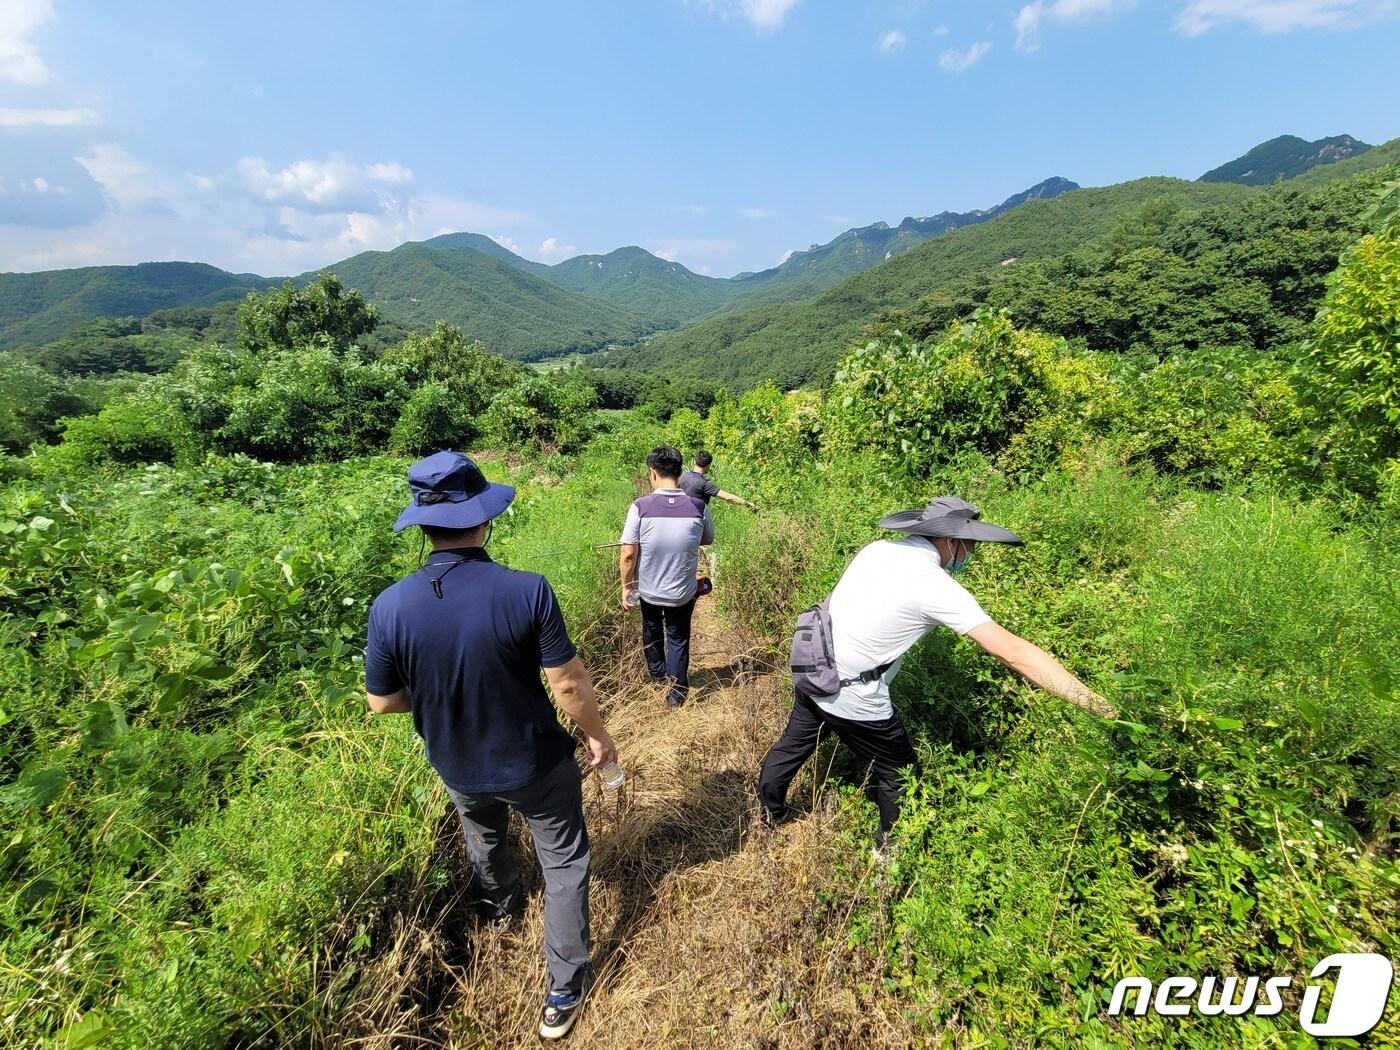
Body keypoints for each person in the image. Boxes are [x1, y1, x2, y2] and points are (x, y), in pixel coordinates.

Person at [364, 450, 616, 1041]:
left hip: (456, 764)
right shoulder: (526, 591)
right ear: (484, 519)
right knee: (563, 861)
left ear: (423, 527)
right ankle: (562, 989)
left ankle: (502, 915)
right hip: (535, 761)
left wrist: (435, 702)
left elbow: (382, 701)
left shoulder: (389, 606)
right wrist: (598, 737)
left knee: (485, 839)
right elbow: (568, 684)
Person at [757, 497, 1115, 859]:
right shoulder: (935, 585)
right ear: (950, 541)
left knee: (794, 742)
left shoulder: (876, 550)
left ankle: (767, 813)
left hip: (813, 665)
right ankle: (888, 863)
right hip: (853, 692)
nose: (970, 553)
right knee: (899, 774)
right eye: (970, 544)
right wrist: (1093, 703)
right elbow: (1012, 651)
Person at [619, 445, 714, 708]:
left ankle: (658, 676)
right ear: (680, 472)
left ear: (652, 473)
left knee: (651, 631)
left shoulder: (640, 507)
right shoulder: (698, 506)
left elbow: (628, 553)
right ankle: (676, 696)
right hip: (682, 593)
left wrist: (627, 587)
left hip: (649, 591)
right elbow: (707, 538)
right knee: (678, 638)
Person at [679, 450, 757, 511]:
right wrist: (747, 504)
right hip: (696, 519)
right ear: (708, 465)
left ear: (694, 462)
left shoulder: (680, 477)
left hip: (677, 517)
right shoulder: (705, 484)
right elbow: (728, 497)